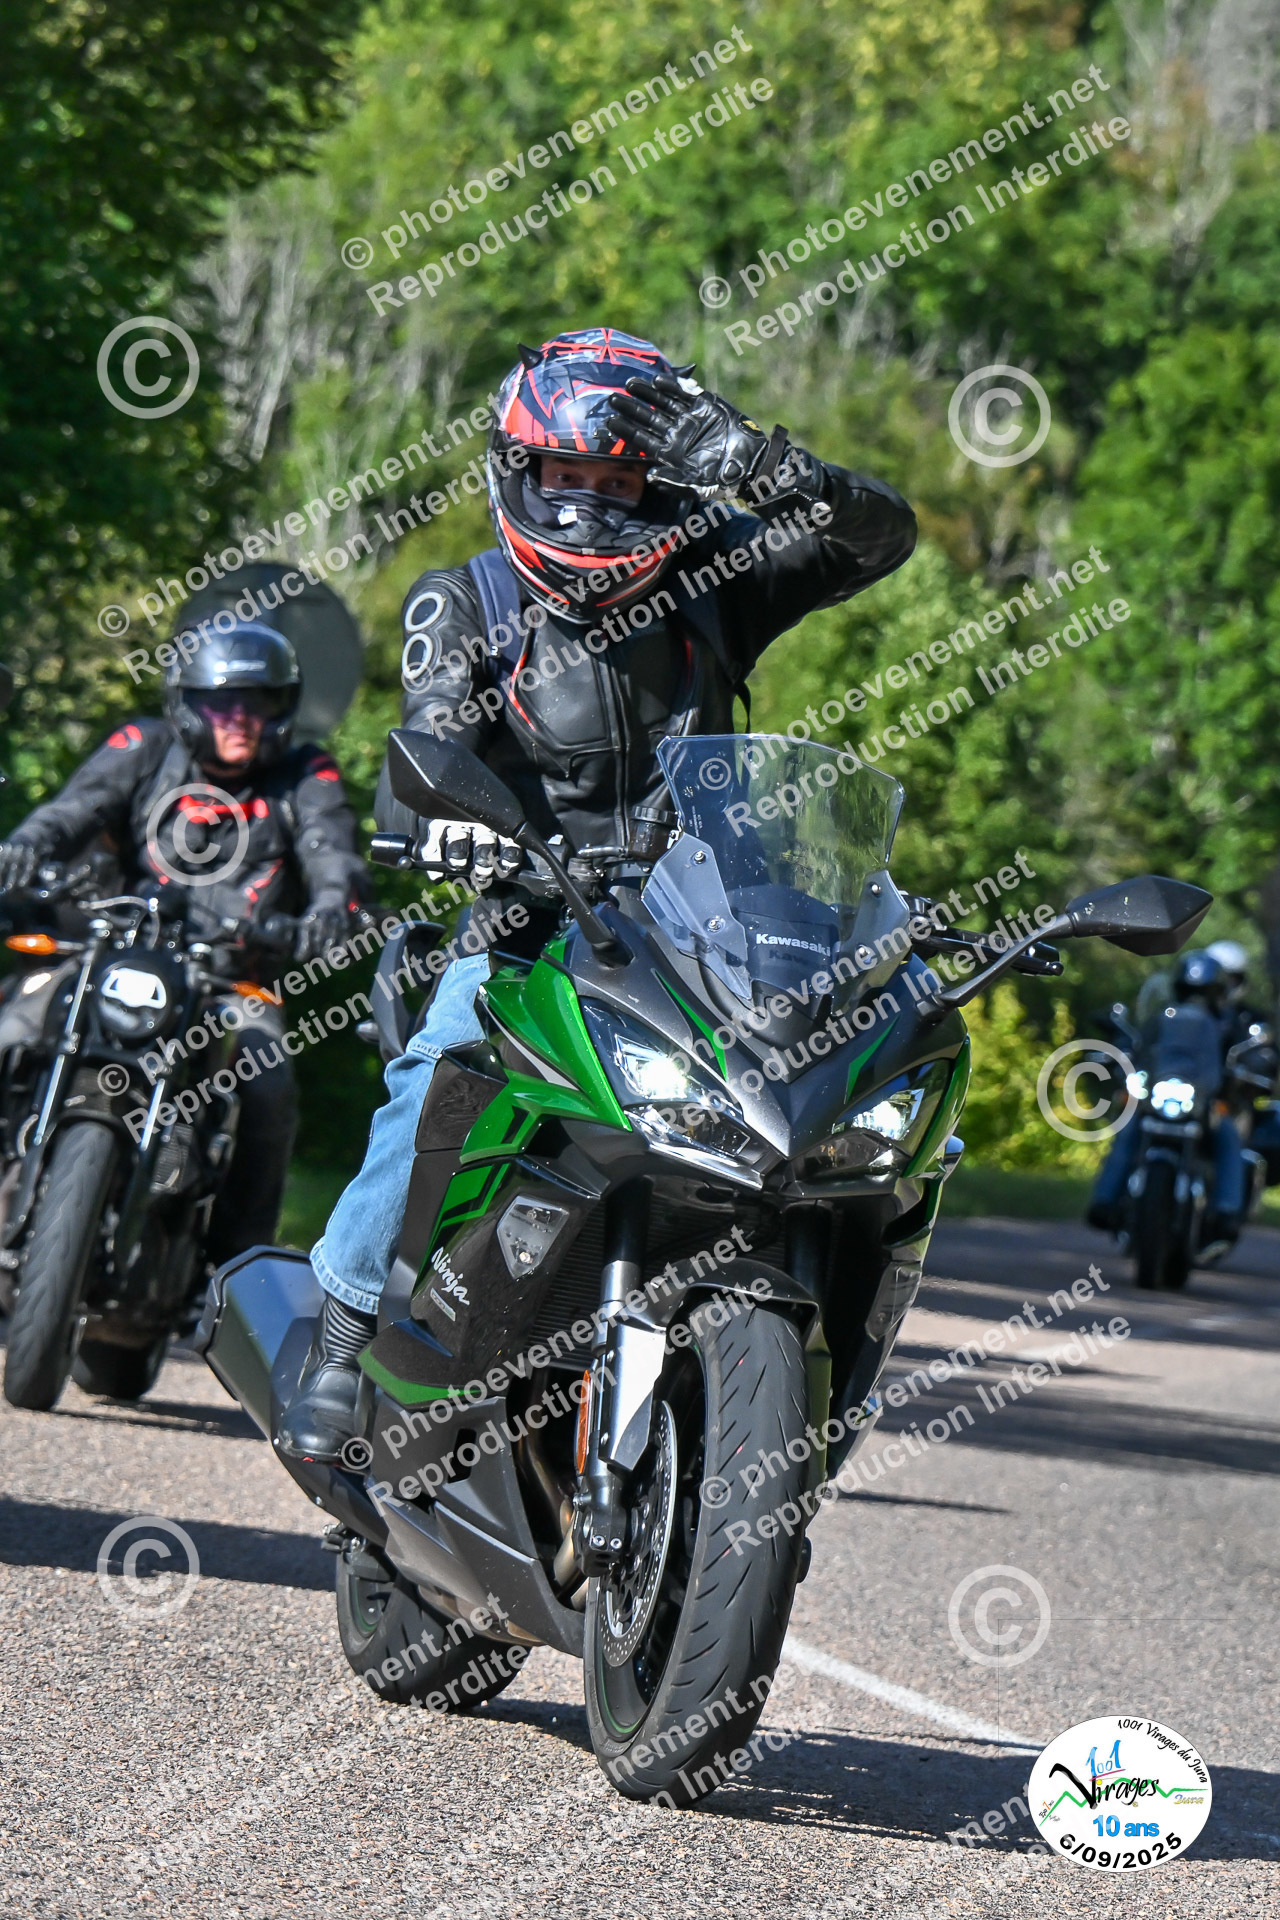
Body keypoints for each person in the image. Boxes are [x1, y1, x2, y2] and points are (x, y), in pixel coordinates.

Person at [279, 324, 917, 1461]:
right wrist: (448, 829)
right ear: (519, 470)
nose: (587, 505)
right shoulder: (465, 600)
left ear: (661, 482)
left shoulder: (716, 581)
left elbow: (880, 537)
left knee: (816, 1109)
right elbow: (429, 737)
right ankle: (341, 1331)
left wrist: (764, 468)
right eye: (565, 474)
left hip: (695, 934)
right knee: (439, 1076)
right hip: (530, 927)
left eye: (617, 480)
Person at [0, 619, 369, 1262]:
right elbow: (73, 810)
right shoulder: (145, 745)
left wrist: (333, 910)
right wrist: (26, 846)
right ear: (188, 703)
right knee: (12, 1029)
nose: (241, 719)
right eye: (223, 703)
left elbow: (331, 852)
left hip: (231, 982)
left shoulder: (305, 774)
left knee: (268, 1085)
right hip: (108, 955)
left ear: (282, 708)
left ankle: (232, 1272)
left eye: (259, 703)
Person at [1087, 947, 1247, 1245]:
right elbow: (1139, 1046)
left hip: (1204, 1100)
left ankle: (1227, 1210)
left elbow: (1247, 1056)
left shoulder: (1229, 1024)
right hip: (1160, 1095)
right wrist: (1121, 1053)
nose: (1197, 999)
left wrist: (1247, 1069)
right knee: (1129, 1128)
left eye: (1205, 992)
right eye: (1190, 991)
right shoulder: (1162, 1018)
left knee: (1228, 1136)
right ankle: (1105, 1200)